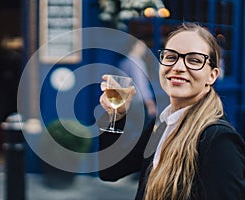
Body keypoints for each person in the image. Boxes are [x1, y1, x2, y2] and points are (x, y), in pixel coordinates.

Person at [98, 23, 245, 200]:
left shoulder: (218, 140)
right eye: (170, 57)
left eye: (194, 60)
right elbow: (110, 171)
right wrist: (116, 115)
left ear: (212, 75)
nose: (178, 67)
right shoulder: (161, 123)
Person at [118, 40, 156, 119]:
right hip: (138, 102)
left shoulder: (123, 62)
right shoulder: (137, 62)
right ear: (134, 46)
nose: (144, 49)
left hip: (125, 102)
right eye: (141, 46)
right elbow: (141, 84)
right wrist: (150, 103)